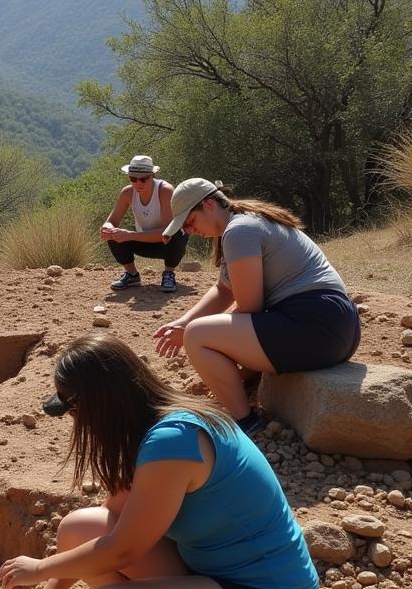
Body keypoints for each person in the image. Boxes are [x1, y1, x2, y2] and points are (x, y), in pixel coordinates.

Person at [0, 334, 320, 589]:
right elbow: (113, 515)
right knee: (78, 528)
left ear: (95, 405)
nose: (74, 421)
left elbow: (123, 550)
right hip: (218, 578)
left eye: (72, 410)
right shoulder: (153, 424)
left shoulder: (172, 441)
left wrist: (41, 569)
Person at [153, 179, 360, 436]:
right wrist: (182, 322)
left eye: (189, 221)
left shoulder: (239, 231)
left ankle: (246, 422)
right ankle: (246, 383)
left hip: (316, 325)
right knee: (199, 330)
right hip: (339, 326)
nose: (189, 230)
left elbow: (250, 307)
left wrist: (190, 333)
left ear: (208, 204)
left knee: (198, 336)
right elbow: (224, 290)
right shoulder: (243, 222)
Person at [100, 155, 188, 293]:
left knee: (176, 233)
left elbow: (167, 232)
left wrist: (129, 235)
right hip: (143, 240)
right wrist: (107, 229)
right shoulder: (127, 193)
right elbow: (111, 221)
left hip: (167, 242)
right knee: (114, 234)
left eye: (143, 179)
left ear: (152, 176)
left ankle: (169, 273)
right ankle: (132, 275)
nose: (138, 183)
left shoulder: (165, 191)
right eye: (133, 179)